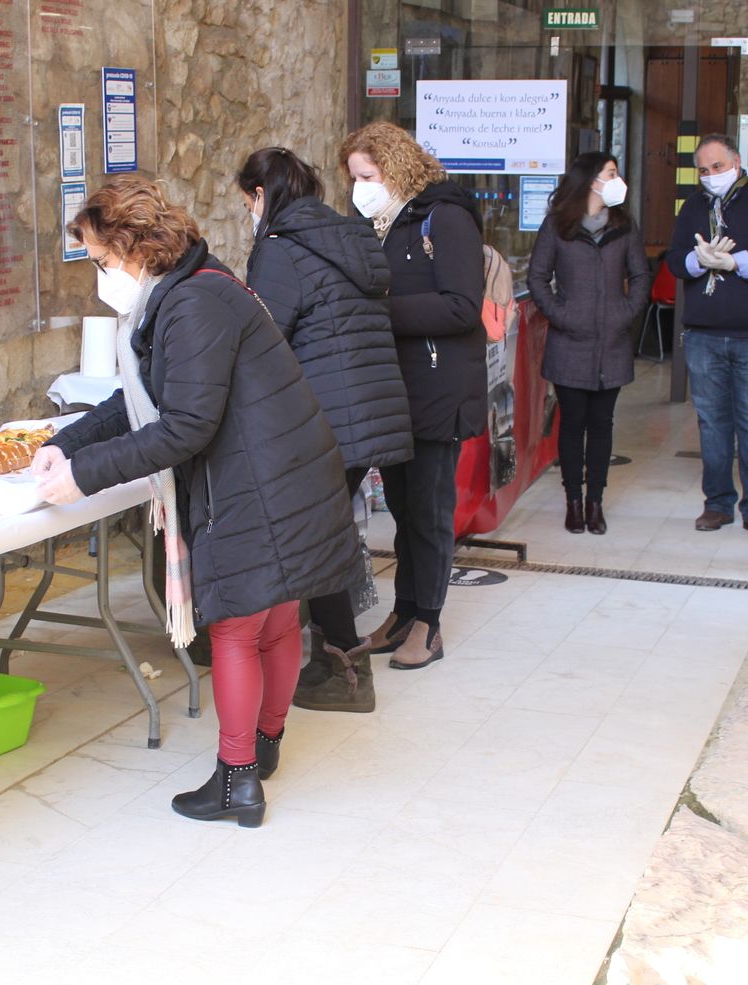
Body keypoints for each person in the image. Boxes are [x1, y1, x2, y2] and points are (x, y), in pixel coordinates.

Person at [32, 176, 361, 826]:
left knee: (239, 627)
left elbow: (184, 426)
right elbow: (134, 404)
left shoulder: (190, 305)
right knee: (274, 623)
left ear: (131, 245)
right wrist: (66, 445)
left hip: (259, 485)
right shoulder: (196, 286)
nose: (100, 275)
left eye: (101, 260)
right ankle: (264, 750)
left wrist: (84, 476)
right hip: (288, 473)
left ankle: (238, 780)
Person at [236, 147, 413, 714]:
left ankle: (343, 671)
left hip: (323, 417)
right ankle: (333, 660)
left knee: (315, 538)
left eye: (246, 203)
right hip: (369, 407)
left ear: (261, 196)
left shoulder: (280, 247)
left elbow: (266, 337)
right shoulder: (350, 235)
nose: (248, 214)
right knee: (326, 532)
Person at [338, 121, 487, 669]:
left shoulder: (443, 218)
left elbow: (460, 307)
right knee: (401, 510)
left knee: (428, 510)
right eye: (353, 177)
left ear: (397, 168)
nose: (360, 187)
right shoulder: (380, 223)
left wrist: (376, 312)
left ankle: (430, 621)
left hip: (438, 386)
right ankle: (403, 613)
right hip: (394, 389)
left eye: (368, 175)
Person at [667, 134, 748, 539]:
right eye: (703, 170)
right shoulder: (693, 205)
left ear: (736, 162)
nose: (710, 176)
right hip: (705, 333)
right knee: (712, 424)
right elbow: (673, 259)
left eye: (717, 167)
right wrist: (697, 260)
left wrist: (735, 261)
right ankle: (717, 504)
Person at [527, 151, 650, 535]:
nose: (617, 179)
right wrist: (563, 316)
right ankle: (573, 502)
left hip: (612, 342)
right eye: (611, 173)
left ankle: (595, 502)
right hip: (570, 343)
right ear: (591, 180)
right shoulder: (558, 226)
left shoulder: (623, 226)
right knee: (572, 424)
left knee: (602, 424)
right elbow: (537, 278)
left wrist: (624, 313)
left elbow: (641, 276)